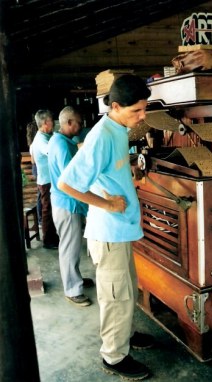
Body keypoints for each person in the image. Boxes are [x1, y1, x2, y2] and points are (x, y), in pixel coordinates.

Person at [58, 74, 154, 380]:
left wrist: (131, 168)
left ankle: (125, 334)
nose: (143, 116)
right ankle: (113, 356)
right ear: (115, 106)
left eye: (144, 109)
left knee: (126, 290)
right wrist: (109, 205)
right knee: (116, 295)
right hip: (108, 233)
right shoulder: (102, 135)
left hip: (121, 231)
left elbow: (109, 169)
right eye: (137, 110)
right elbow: (67, 184)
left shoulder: (118, 130)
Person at [48, 106, 93, 307]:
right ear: (68, 123)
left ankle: (76, 280)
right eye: (78, 123)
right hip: (67, 204)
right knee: (70, 248)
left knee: (70, 246)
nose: (81, 126)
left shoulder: (61, 140)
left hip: (63, 202)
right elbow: (71, 178)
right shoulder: (62, 146)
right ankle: (72, 290)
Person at [31, 109, 59, 249]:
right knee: (47, 210)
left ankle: (53, 237)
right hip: (46, 181)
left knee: (51, 209)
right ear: (44, 123)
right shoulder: (41, 140)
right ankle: (48, 240)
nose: (53, 123)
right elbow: (52, 152)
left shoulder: (47, 135)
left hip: (49, 179)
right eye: (50, 121)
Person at [26, 116, 42, 226]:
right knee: (41, 194)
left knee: (40, 194)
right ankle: (40, 219)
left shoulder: (32, 144)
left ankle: (41, 218)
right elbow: (33, 160)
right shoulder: (35, 144)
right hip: (37, 168)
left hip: (35, 168)